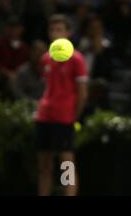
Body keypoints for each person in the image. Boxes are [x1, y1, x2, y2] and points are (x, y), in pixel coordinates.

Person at [35, 14, 88, 196]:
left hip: (64, 119)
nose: (55, 33)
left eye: (59, 29)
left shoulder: (77, 59)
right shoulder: (45, 58)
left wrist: (74, 116)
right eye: (52, 30)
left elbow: (82, 93)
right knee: (44, 165)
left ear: (68, 33)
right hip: (44, 117)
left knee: (66, 165)